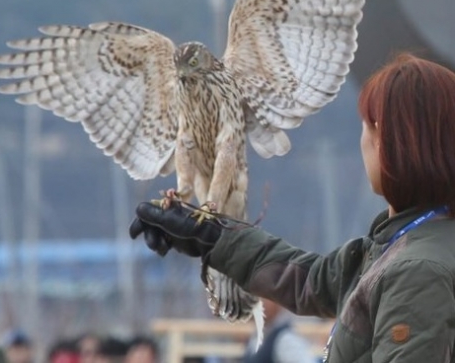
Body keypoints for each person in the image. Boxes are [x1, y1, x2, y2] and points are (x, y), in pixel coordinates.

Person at [129, 53, 455, 363]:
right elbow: (307, 280)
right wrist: (210, 236)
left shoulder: (417, 270)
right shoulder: (397, 245)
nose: (365, 141)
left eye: (370, 126)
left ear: (394, 140)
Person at [243, 298, 318, 363]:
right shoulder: (256, 335)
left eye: (265, 299)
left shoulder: (285, 339)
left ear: (277, 303)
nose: (260, 303)